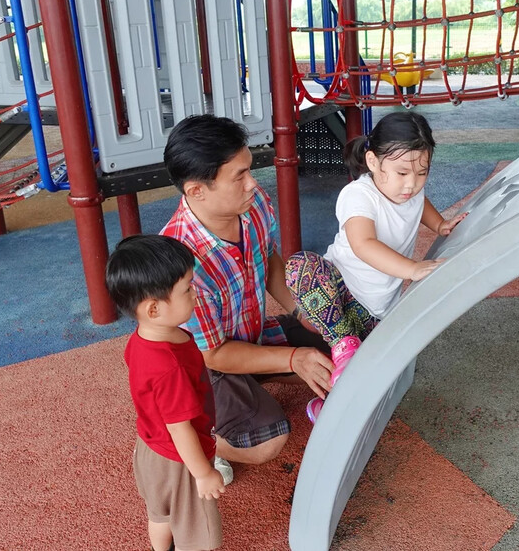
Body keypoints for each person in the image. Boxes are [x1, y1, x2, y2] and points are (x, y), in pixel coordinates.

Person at [160, 115, 334, 470]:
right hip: (205, 364)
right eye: (238, 176)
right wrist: (293, 359)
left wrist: (302, 312)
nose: (252, 183)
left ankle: (253, 380)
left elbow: (268, 258)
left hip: (248, 333)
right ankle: (182, 440)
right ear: (196, 191)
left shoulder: (251, 205)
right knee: (265, 442)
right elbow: (213, 354)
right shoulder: (180, 261)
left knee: (341, 346)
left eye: (249, 170)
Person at [285, 111, 467, 421]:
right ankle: (342, 344)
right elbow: (364, 244)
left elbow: (419, 203)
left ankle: (330, 403)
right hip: (338, 297)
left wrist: (440, 225)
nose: (412, 184)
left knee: (376, 377)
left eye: (422, 173)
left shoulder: (410, 191)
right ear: (372, 161)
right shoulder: (359, 195)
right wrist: (412, 269)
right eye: (402, 173)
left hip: (375, 313)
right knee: (300, 266)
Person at [105, 234, 225, 551]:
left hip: (150, 449)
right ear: (154, 309)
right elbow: (180, 428)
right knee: (199, 533)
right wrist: (203, 473)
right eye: (187, 288)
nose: (195, 293)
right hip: (180, 459)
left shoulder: (141, 340)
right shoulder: (171, 366)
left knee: (160, 514)